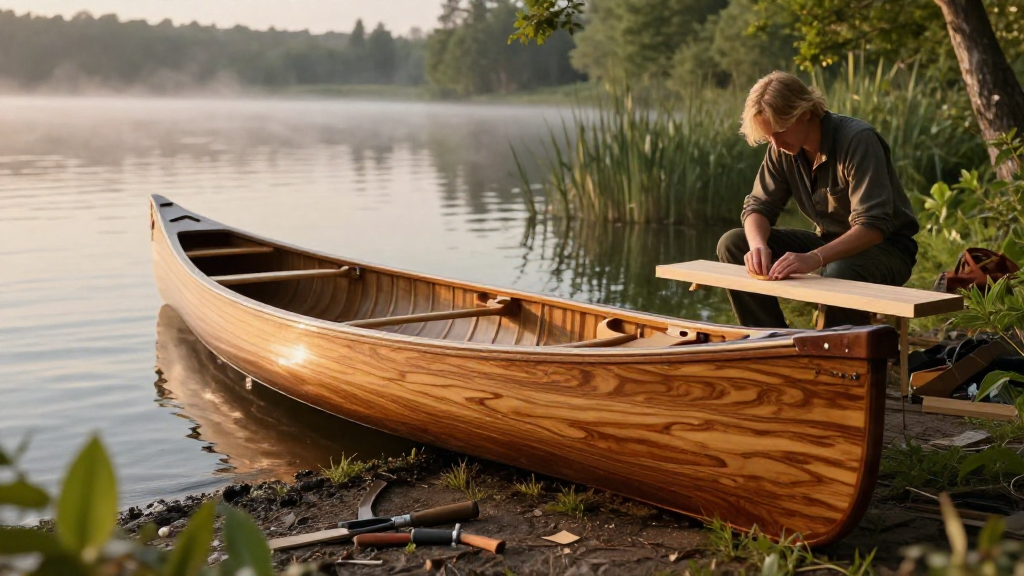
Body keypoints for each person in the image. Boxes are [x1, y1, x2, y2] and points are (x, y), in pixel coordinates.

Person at [717, 71, 919, 329]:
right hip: (827, 243)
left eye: (780, 131)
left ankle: (833, 350)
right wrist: (758, 246)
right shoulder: (782, 148)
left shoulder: (858, 140)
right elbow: (758, 207)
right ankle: (770, 338)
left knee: (839, 272)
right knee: (734, 243)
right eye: (768, 137)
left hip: (887, 250)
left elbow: (873, 227)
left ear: (805, 112)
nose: (775, 144)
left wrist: (814, 258)